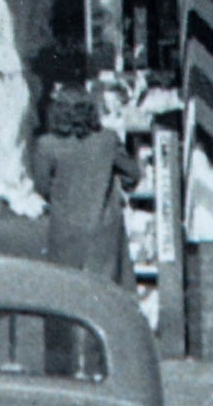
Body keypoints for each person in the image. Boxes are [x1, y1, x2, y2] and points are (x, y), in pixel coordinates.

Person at [29, 81, 140, 283]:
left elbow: (41, 186)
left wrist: (60, 196)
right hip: (104, 227)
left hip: (65, 228)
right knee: (106, 289)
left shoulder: (46, 145)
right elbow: (132, 173)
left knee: (68, 287)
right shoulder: (107, 140)